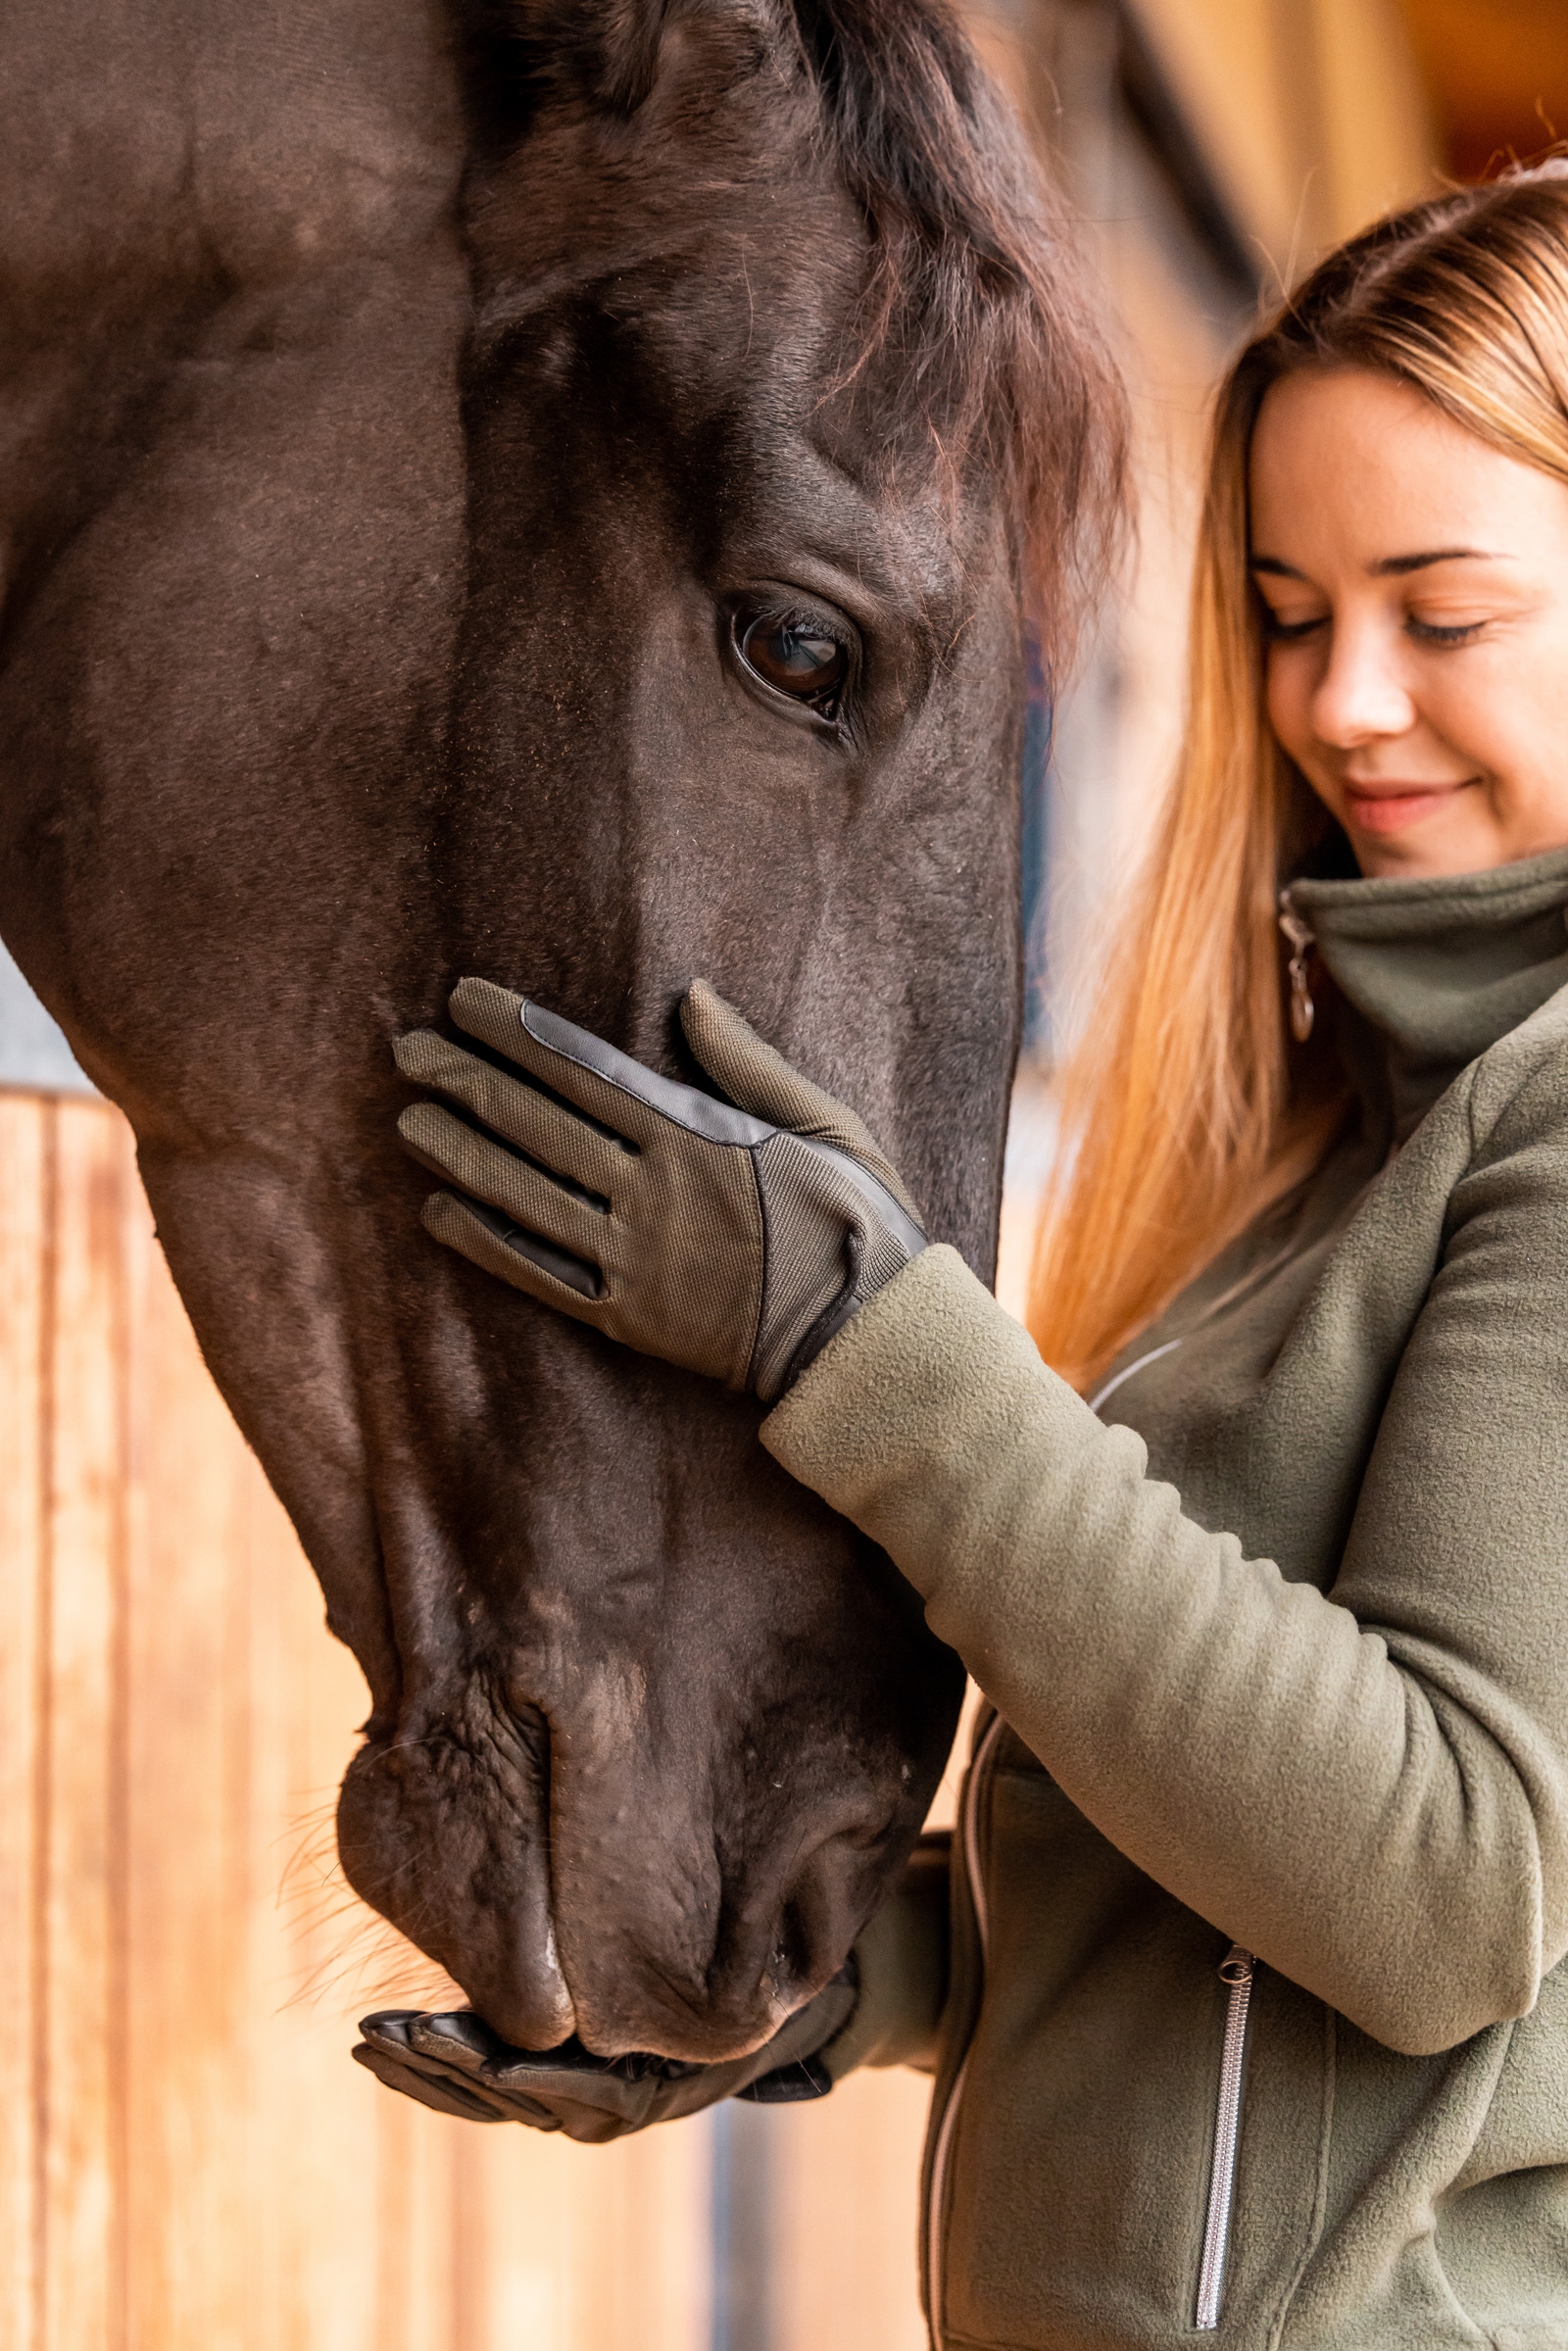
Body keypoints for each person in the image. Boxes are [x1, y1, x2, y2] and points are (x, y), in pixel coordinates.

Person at [369, 164, 1568, 2344]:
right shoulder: (1344, 1126)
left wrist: (858, 1340)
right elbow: (1204, 1918)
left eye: (1440, 611)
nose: (1342, 705)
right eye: (1286, 614)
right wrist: (788, 2005)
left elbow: (1438, 1901)